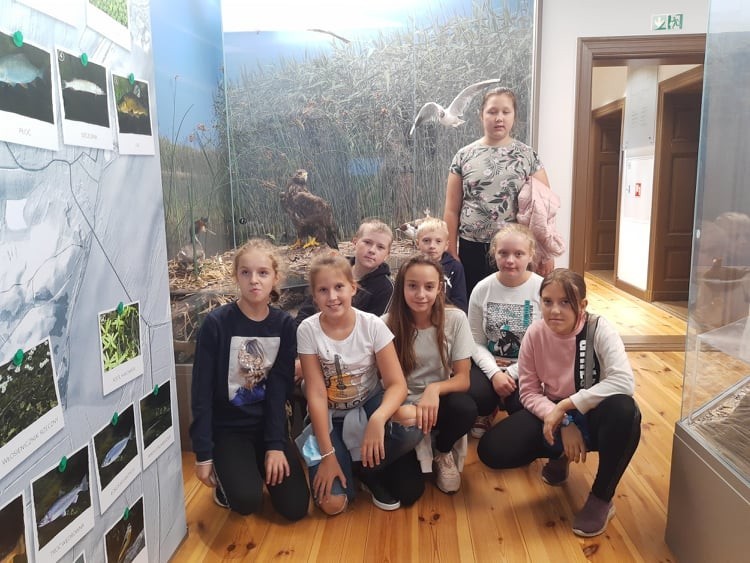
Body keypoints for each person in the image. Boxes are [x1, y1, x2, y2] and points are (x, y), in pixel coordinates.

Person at [477, 269, 641, 537]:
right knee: (492, 450)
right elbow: (529, 392)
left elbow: (624, 382)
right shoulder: (535, 333)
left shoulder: (599, 329)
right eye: (547, 301)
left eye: (565, 302)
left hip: (595, 412)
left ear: (583, 305)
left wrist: (567, 406)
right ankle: (560, 454)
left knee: (626, 411)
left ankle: (601, 497)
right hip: (554, 411)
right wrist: (563, 421)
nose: (555, 310)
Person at [190, 239, 310, 521]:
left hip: (267, 424)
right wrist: (203, 454)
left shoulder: (283, 325)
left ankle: (255, 465)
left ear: (276, 278)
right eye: (246, 272)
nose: (254, 280)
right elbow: (201, 393)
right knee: (246, 501)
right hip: (228, 430)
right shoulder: (216, 324)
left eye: (263, 273)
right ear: (236, 276)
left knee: (295, 508)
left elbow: (279, 390)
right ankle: (231, 475)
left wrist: (275, 445)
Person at [296, 253, 422, 515]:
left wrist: (378, 419)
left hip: (368, 403)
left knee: (412, 421)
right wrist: (328, 456)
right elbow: (316, 394)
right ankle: (340, 456)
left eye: (339, 287)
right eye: (323, 290)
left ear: (353, 287)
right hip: (329, 414)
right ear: (314, 295)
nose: (332, 297)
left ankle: (368, 470)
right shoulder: (307, 330)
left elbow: (397, 384)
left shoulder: (372, 325)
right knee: (333, 505)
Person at [442, 86, 553, 297]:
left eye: (505, 111)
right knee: (474, 302)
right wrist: (451, 251)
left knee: (515, 304)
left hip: (516, 249)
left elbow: (544, 208)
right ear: (481, 115)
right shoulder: (463, 155)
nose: (499, 118)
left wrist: (545, 253)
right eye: (492, 111)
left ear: (514, 116)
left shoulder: (528, 156)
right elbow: (451, 209)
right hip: (472, 247)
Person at [383, 254, 476, 494]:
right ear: (401, 287)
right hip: (402, 406)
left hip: (438, 401)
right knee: (408, 492)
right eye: (412, 286)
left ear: (439, 288)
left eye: (429, 287)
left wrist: (434, 389)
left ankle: (442, 451)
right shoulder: (386, 324)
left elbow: (463, 378)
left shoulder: (455, 319)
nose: (421, 294)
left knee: (465, 408)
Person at [467, 224, 543, 438]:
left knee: (521, 404)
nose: (510, 260)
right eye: (503, 253)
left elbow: (546, 344)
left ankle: (508, 405)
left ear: (530, 255)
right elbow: (475, 341)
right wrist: (494, 373)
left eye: (518, 254)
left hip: (528, 366)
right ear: (494, 254)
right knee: (475, 393)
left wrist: (511, 373)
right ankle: (486, 409)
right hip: (490, 363)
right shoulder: (482, 289)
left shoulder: (542, 289)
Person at [294, 218, 394, 328]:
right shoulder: (332, 269)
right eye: (367, 242)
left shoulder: (387, 288)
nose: (372, 250)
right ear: (355, 241)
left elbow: (373, 328)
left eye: (380, 247)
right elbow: (307, 309)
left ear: (387, 254)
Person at [415, 217, 468, 313]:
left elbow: (460, 302)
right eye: (426, 240)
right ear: (417, 243)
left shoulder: (455, 268)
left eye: (438, 241)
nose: (432, 246)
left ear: (446, 245)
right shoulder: (411, 267)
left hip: (447, 316)